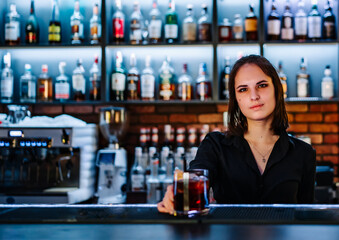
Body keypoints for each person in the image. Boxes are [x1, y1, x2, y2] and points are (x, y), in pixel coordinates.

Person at [157, 55, 316, 214]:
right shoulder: (215, 145)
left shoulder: (303, 153)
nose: (254, 96)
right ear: (236, 99)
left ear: (277, 89)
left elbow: (306, 217)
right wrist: (177, 193)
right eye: (243, 89)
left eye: (262, 85)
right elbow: (196, 176)